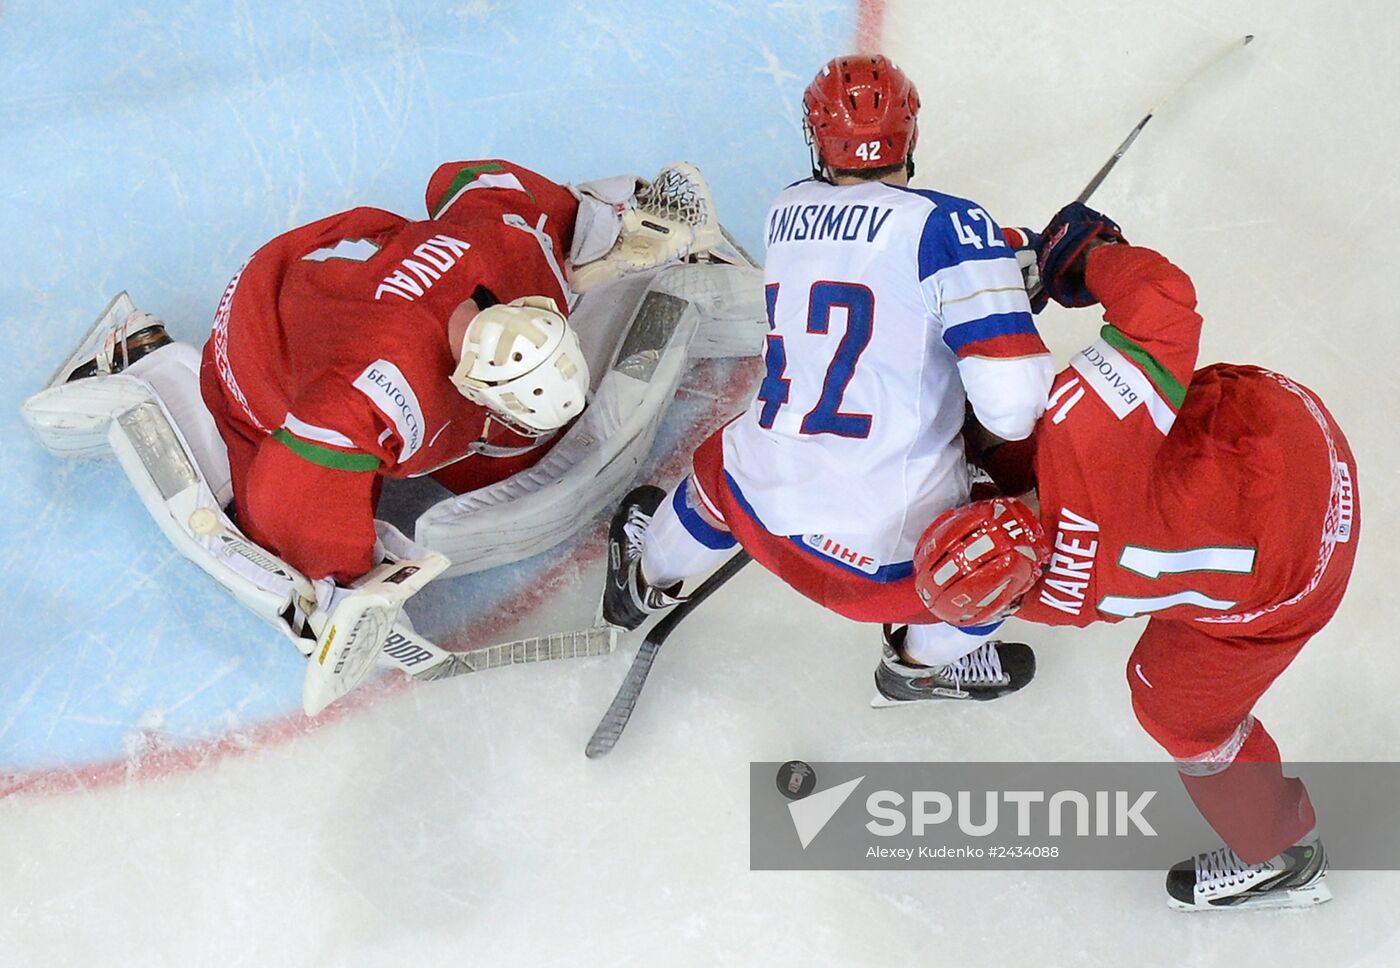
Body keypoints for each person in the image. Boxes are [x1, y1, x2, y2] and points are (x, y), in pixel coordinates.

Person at [913, 202, 1359, 910]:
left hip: (1294, 572)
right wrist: (1087, 259)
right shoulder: (1080, 428)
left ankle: (1281, 857)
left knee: (1176, 715)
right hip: (1289, 432)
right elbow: (1165, 303)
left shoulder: (1051, 602)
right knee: (1139, 401)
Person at [600, 55, 1055, 703]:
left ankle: (644, 577)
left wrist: (992, 261)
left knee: (732, 451)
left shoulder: (786, 209)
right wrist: (999, 290)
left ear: (817, 139)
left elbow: (872, 257)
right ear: (911, 133)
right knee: (1019, 526)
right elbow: (1010, 408)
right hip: (886, 572)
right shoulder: (954, 229)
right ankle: (919, 664)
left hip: (757, 511)